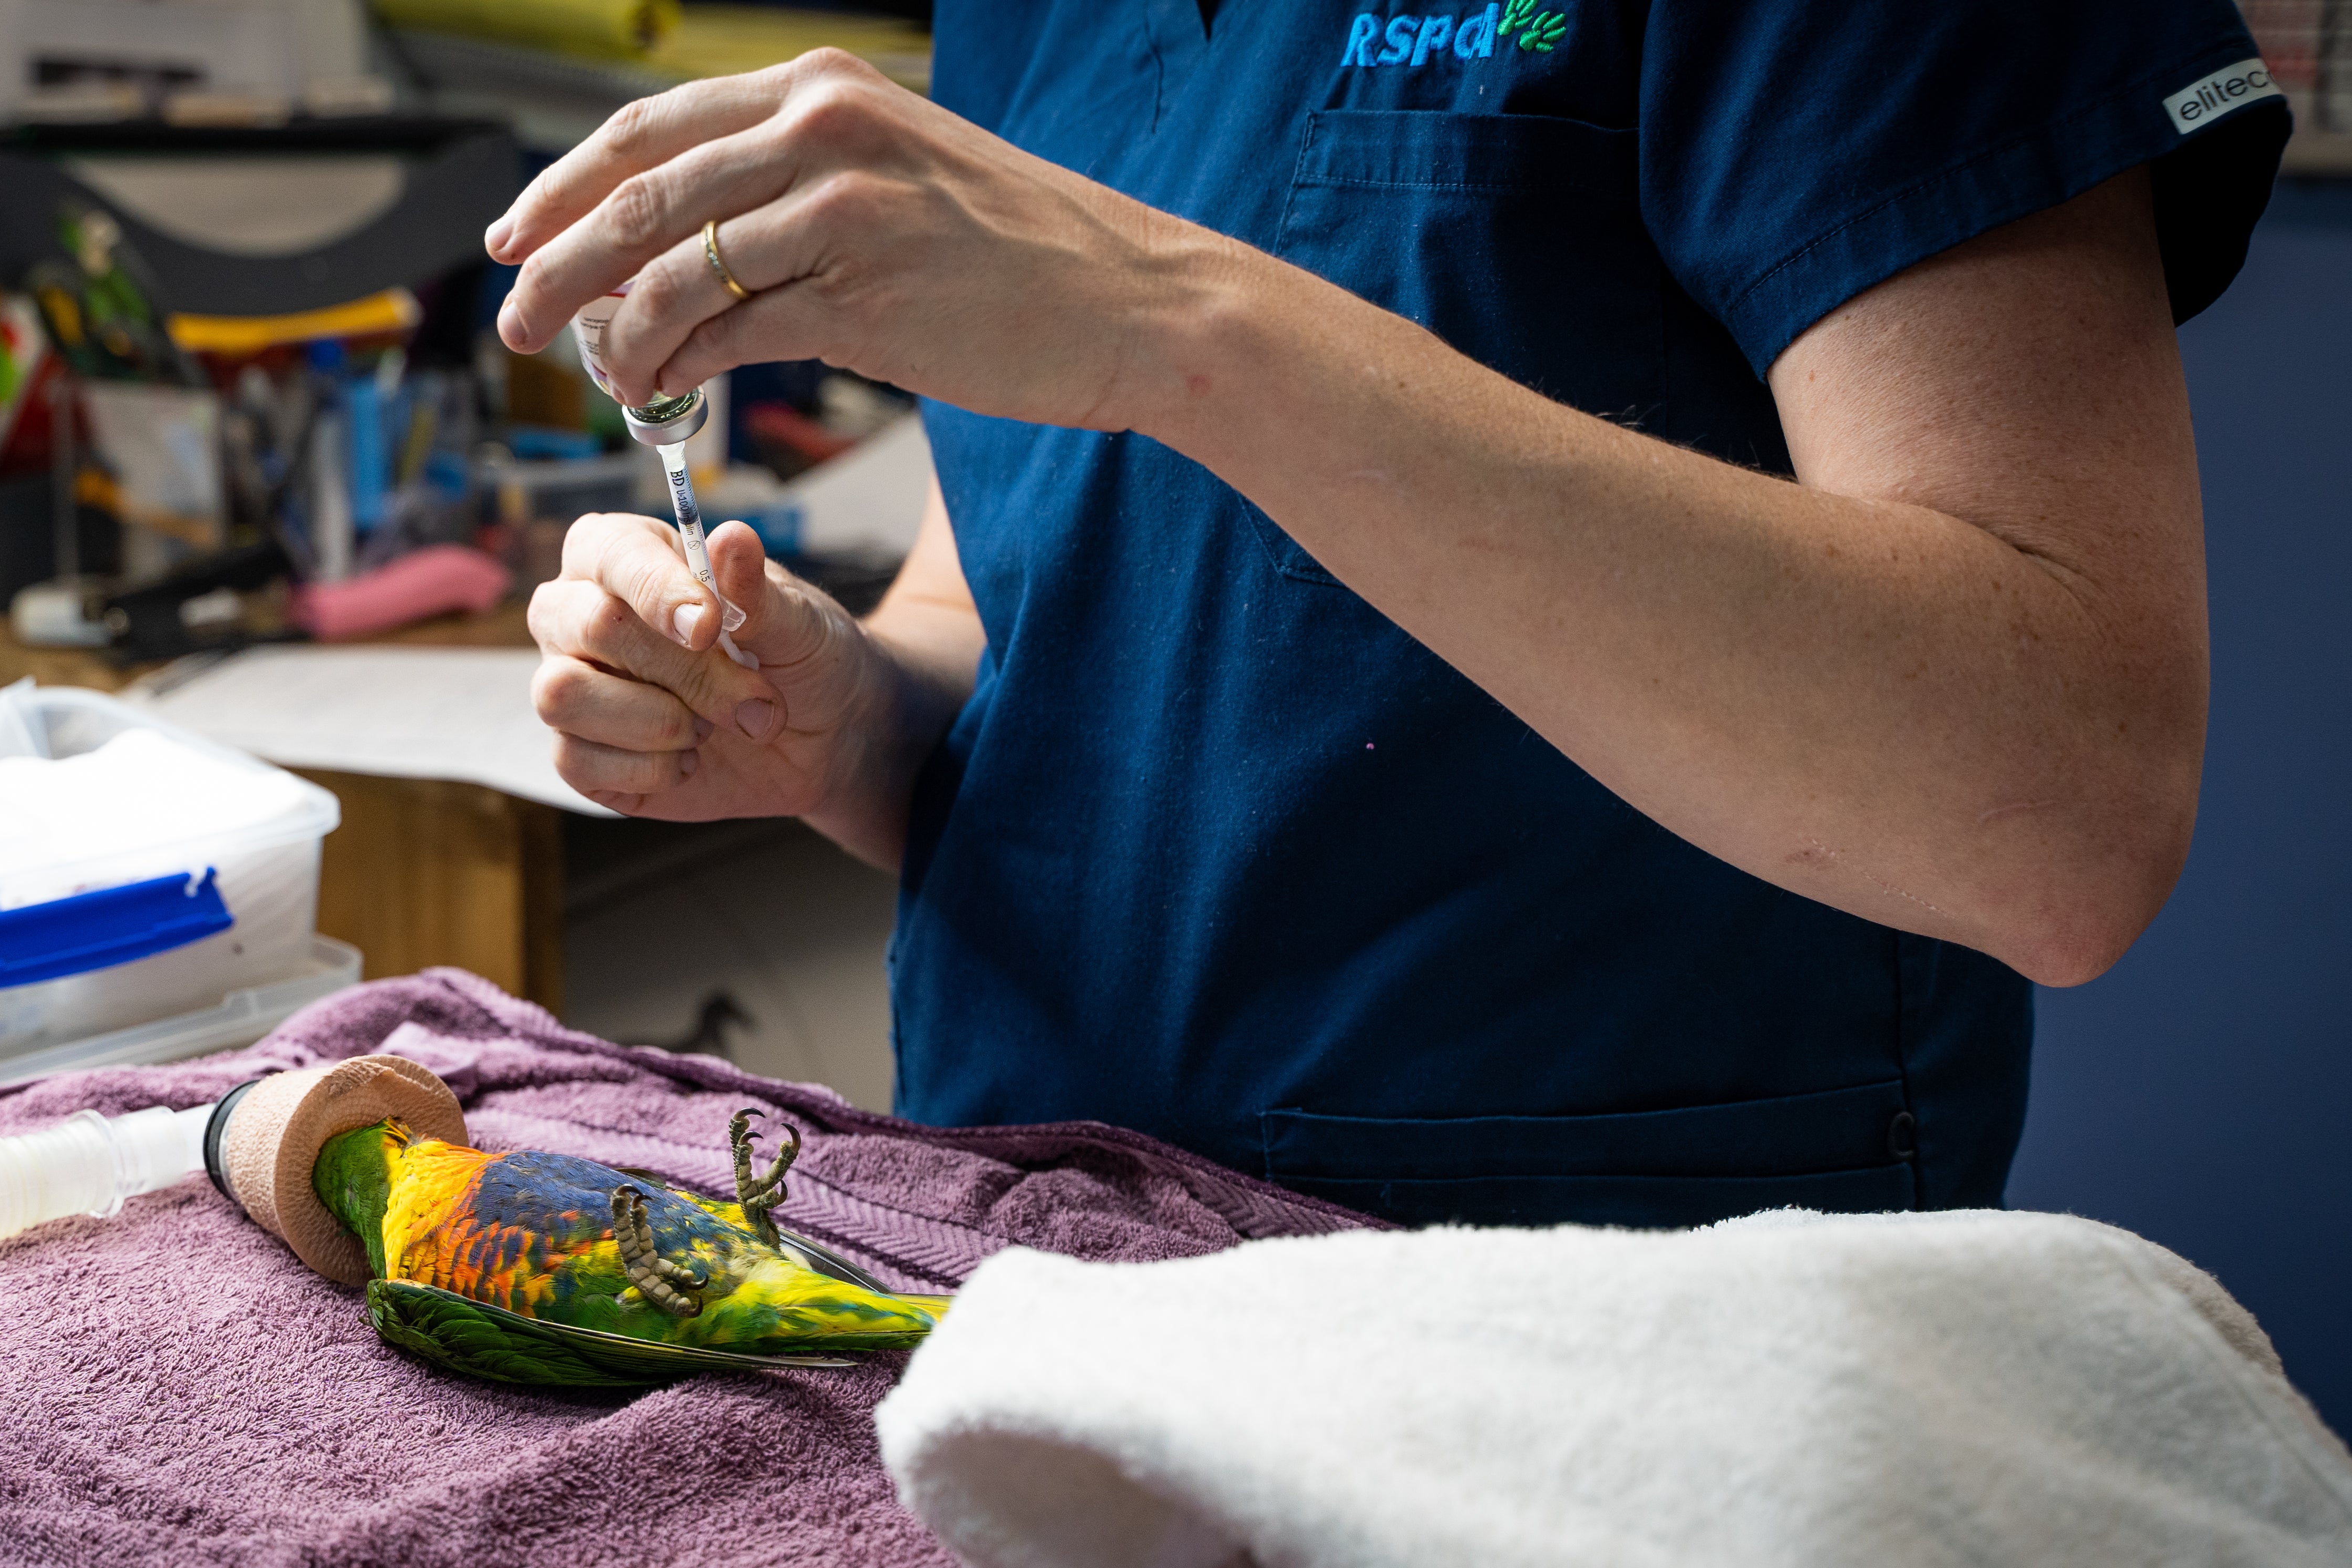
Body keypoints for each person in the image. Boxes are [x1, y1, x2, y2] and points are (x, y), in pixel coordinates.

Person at [494, 4, 2292, 1226]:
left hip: (1622, 1345)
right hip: (1030, 1275)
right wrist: (841, 716)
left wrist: (1187, 324)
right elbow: (1031, 621)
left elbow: (2062, 808)